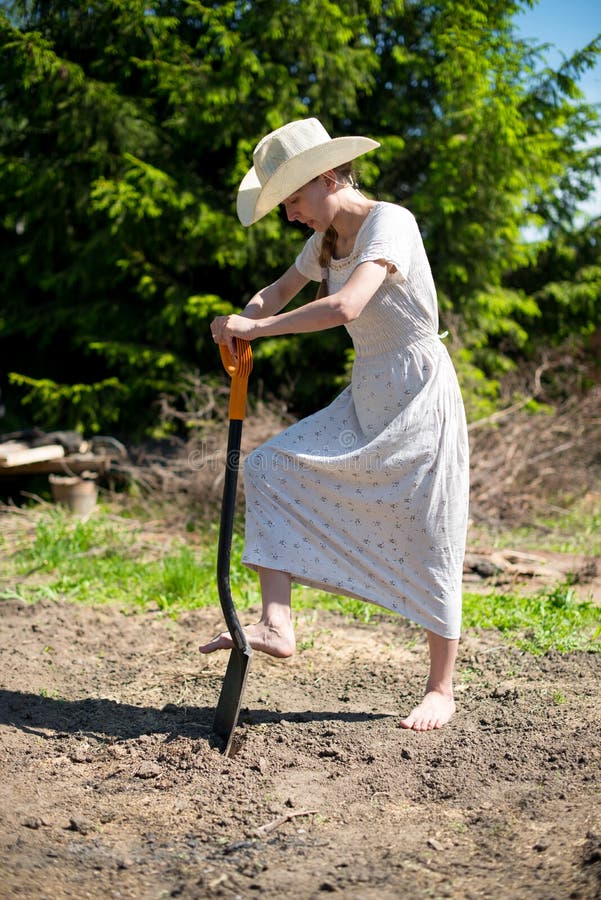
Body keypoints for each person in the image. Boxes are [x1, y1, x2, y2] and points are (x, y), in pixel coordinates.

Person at [200, 118, 469, 731]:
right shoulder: (323, 241)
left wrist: (260, 331)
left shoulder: (388, 222)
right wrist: (239, 323)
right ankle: (276, 622)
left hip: (418, 388)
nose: (291, 214)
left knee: (431, 525)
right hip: (368, 388)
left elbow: (349, 305)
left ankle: (441, 689)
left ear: (326, 177)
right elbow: (275, 293)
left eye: (293, 199)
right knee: (268, 468)